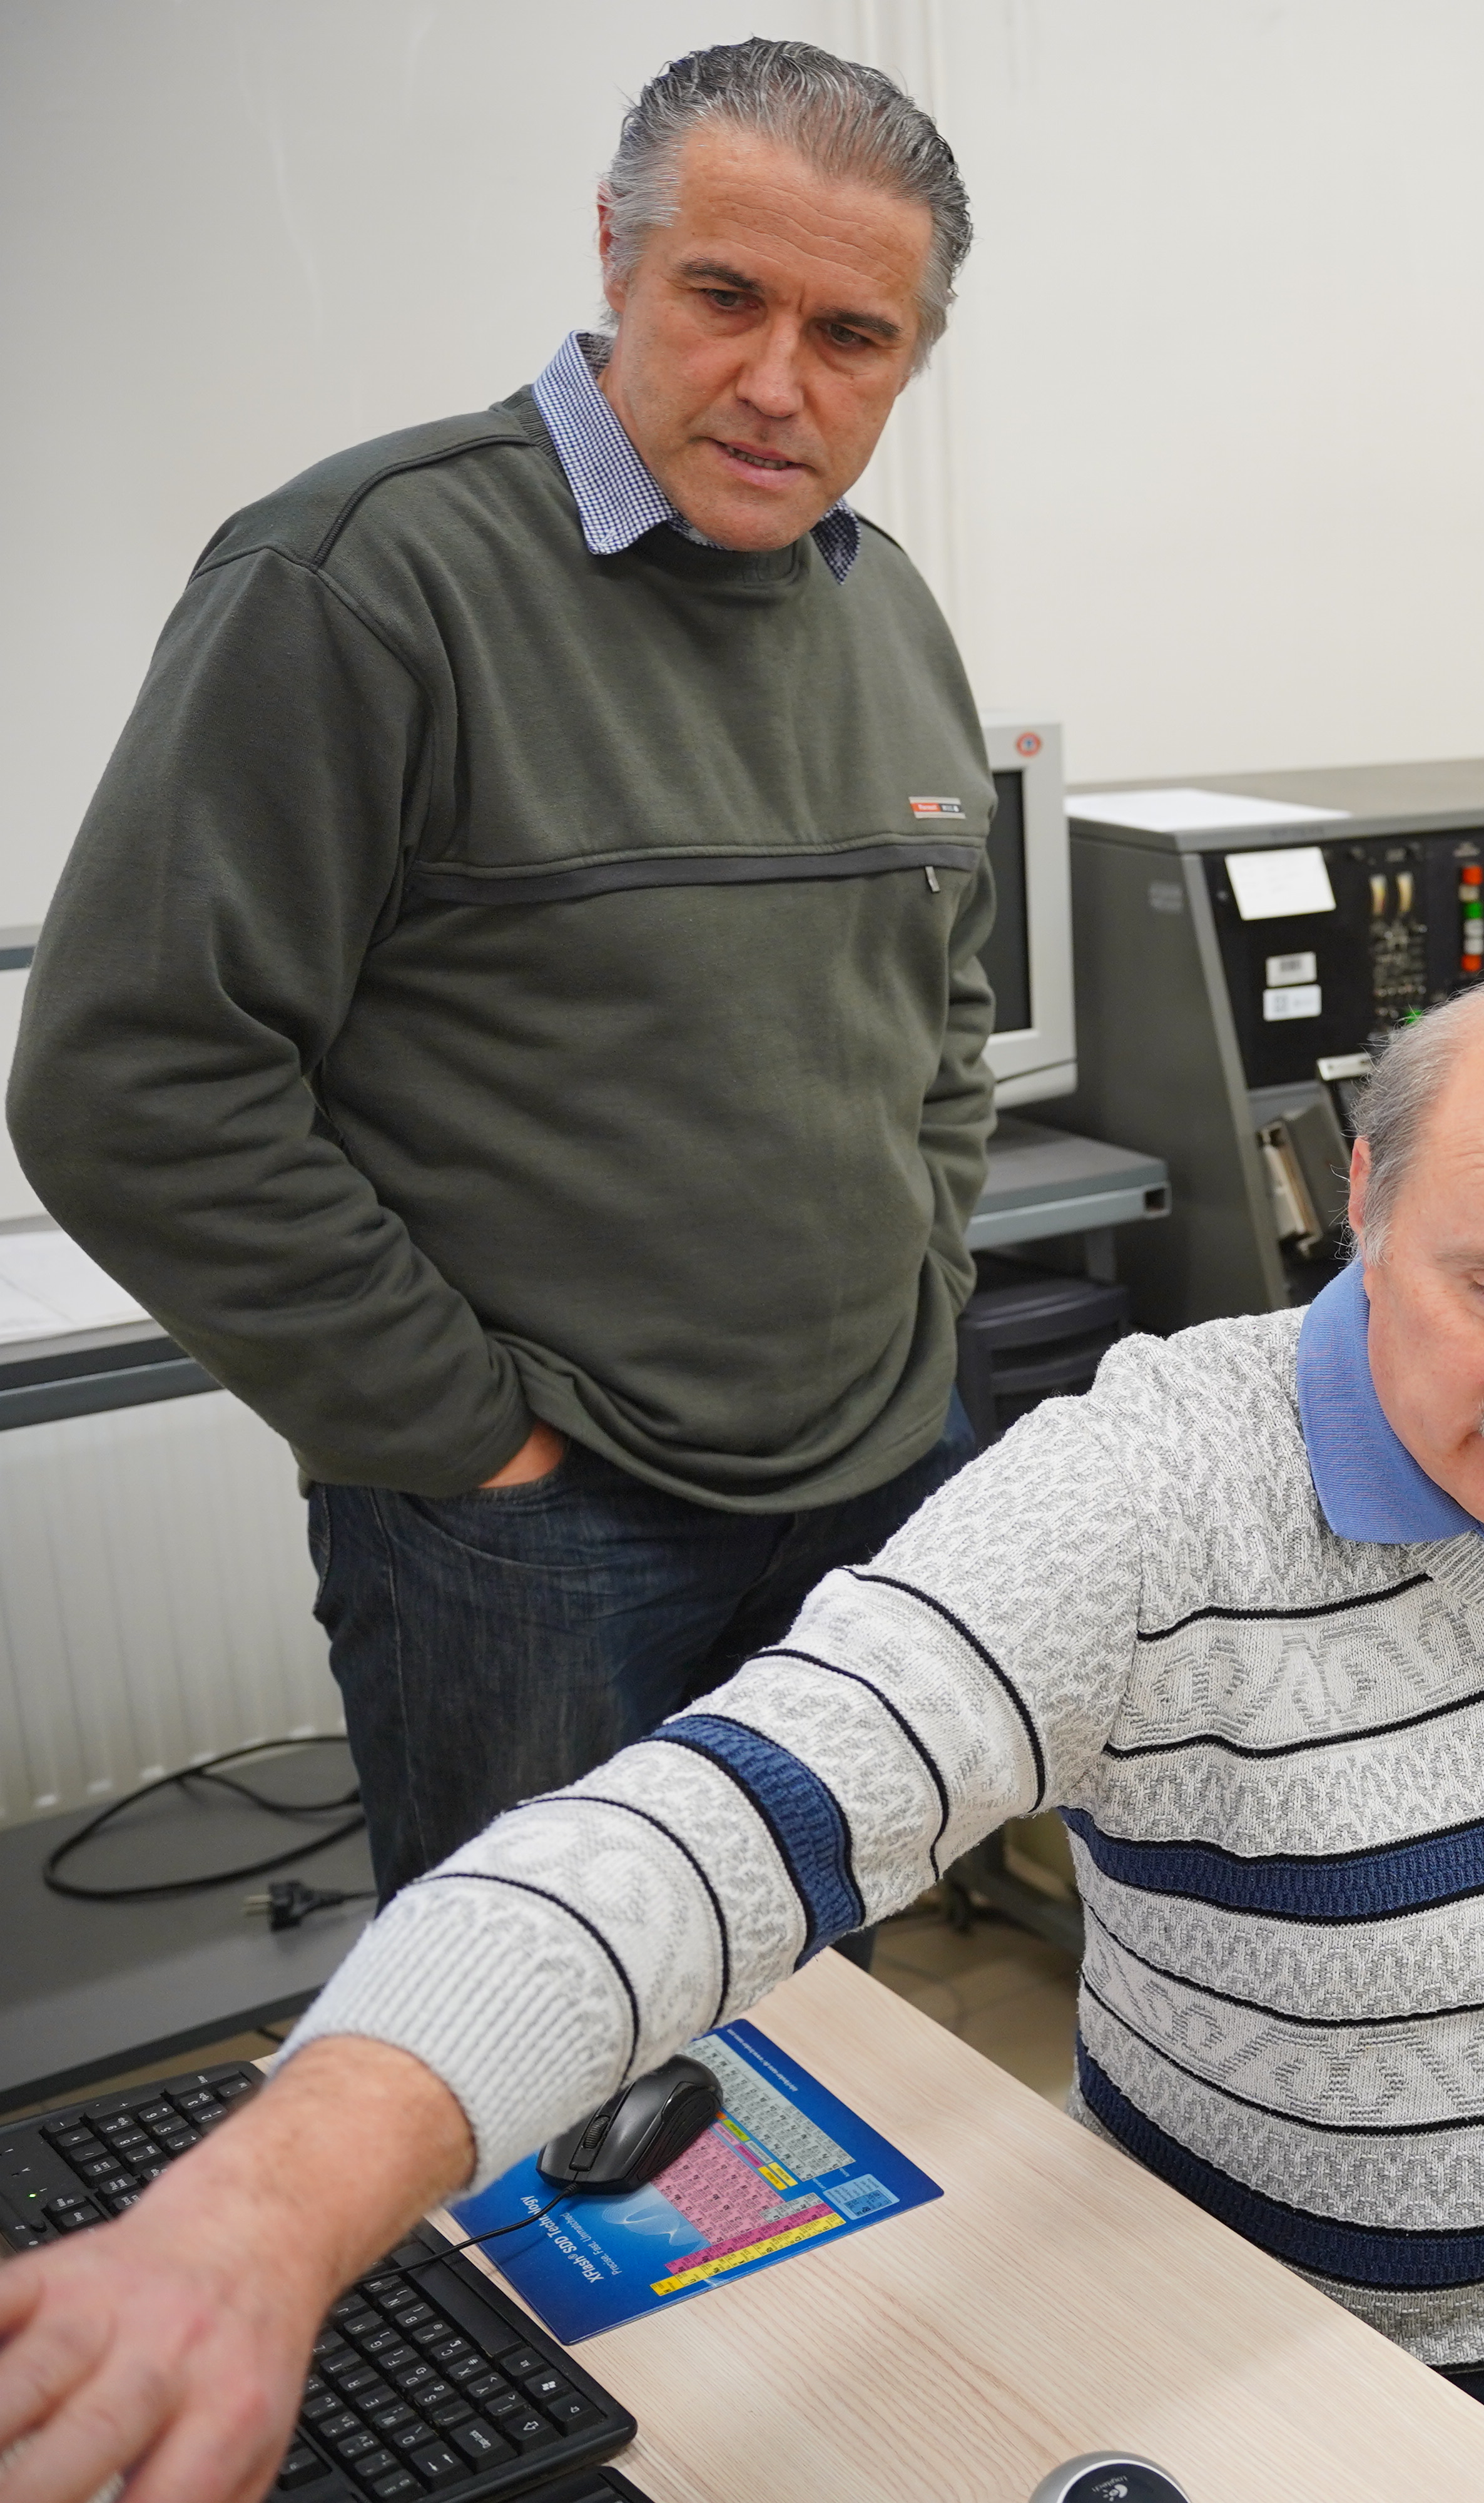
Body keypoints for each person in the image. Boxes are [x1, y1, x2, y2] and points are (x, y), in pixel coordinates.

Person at [0, 970, 1484, 2503]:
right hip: (1272, 2313)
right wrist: (258, 2215)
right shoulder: (1154, 1481)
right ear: (1358, 1198)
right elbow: (704, 1829)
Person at [5, 42, 999, 1904]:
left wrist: (926, 1286)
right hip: (543, 1528)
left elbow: (941, 997)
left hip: (873, 1472)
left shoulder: (887, 608)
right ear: (615, 255)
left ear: (911, 355)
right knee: (545, 2026)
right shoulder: (362, 579)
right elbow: (135, 1080)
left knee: (809, 1998)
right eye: (725, 297)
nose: (777, 382)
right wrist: (471, 1437)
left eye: (852, 335)